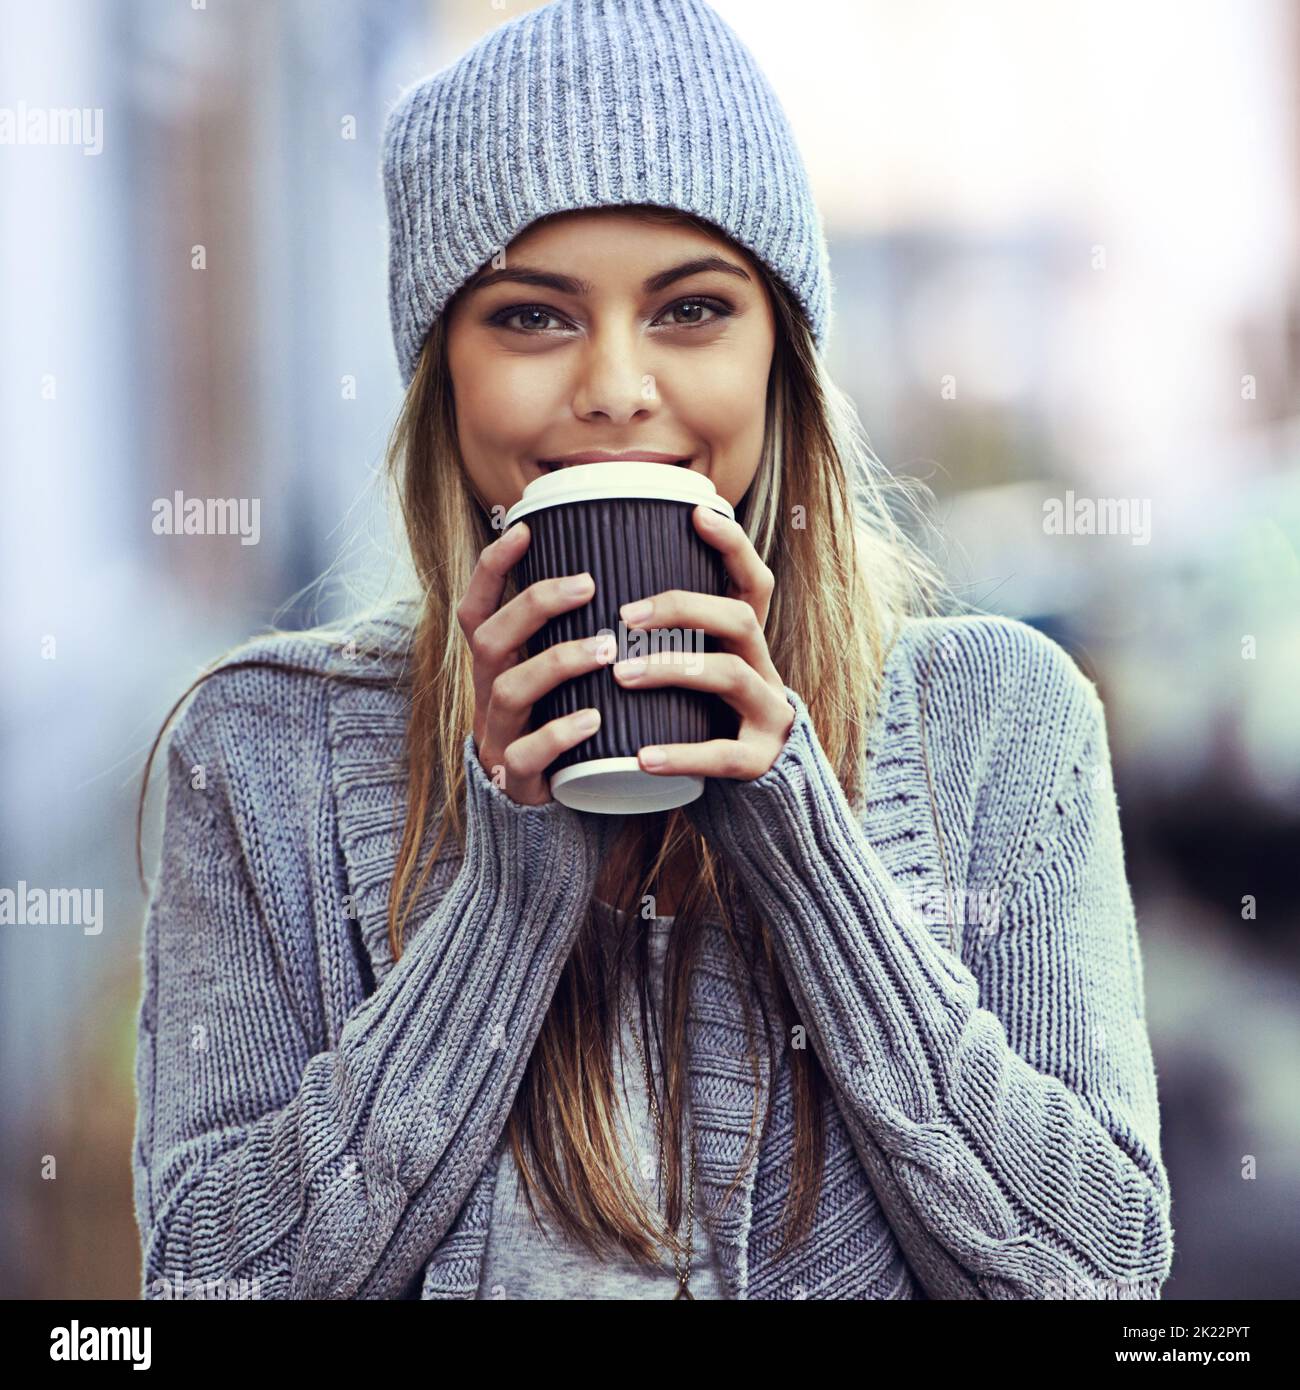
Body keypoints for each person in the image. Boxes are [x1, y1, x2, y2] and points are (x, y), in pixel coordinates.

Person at [130, 0, 1174, 1300]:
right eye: (531, 316)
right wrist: (507, 897)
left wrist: (801, 843)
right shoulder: (257, 755)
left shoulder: (1006, 723)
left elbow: (1102, 1284)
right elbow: (200, 1291)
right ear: (440, 375)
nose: (618, 386)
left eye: (690, 308)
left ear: (781, 359)